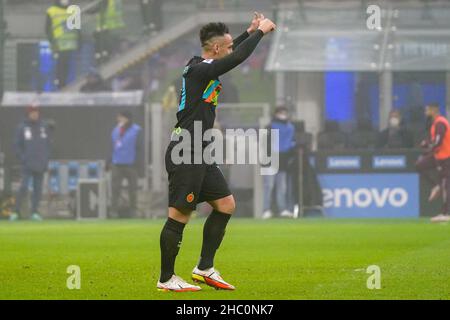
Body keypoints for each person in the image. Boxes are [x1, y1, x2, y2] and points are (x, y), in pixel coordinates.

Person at [157, 13, 276, 292]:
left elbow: (227, 53)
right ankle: (166, 279)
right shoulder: (200, 70)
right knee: (180, 214)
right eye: (228, 46)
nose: (232, 49)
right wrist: (261, 33)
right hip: (186, 150)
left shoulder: (203, 64)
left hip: (201, 150)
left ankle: (204, 268)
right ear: (216, 50)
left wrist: (247, 33)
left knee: (225, 204)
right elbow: (233, 58)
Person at [10, 105, 51, 221]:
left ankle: (34, 212)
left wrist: (46, 159)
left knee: (38, 189)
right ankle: (16, 211)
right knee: (24, 187)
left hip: (40, 164)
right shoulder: (22, 127)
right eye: (32, 112)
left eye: (36, 112)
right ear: (28, 114)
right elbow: (17, 145)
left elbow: (48, 145)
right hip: (27, 164)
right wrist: (23, 158)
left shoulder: (43, 127)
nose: (35, 114)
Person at [415, 103, 450, 222]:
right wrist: (427, 142)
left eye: (427, 110)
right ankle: (435, 185)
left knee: (446, 185)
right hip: (438, 155)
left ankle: (445, 213)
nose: (426, 112)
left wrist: (428, 145)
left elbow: (438, 142)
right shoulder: (435, 124)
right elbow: (435, 140)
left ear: (433, 110)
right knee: (419, 165)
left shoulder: (440, 122)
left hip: (446, 157)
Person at [262, 107, 296, 219]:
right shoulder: (269, 127)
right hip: (271, 160)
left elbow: (292, 144)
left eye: (285, 113)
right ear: (276, 114)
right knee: (269, 186)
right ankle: (266, 210)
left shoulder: (291, 128)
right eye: (281, 113)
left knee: (282, 187)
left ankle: (283, 209)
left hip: (283, 161)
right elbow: (264, 144)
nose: (283, 115)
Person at [108, 110, 142, 218]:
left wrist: (138, 163)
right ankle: (113, 212)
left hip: (131, 165)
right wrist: (108, 161)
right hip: (117, 164)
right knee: (115, 189)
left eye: (121, 118)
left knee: (133, 190)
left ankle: (133, 211)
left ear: (128, 119)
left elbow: (140, 148)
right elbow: (112, 147)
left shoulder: (136, 130)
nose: (119, 120)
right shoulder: (116, 130)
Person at [46, 0, 80, 89]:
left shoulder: (74, 9)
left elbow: (77, 28)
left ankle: (64, 82)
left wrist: (79, 41)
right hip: (59, 44)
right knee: (60, 65)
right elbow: (47, 29)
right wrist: (52, 42)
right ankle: (60, 83)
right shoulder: (52, 11)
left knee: (67, 65)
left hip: (71, 43)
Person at [94, 0, 125, 64]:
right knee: (103, 47)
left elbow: (118, 12)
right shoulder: (106, 3)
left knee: (107, 46)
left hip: (110, 27)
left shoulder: (113, 2)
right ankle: (103, 60)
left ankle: (107, 58)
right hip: (104, 28)